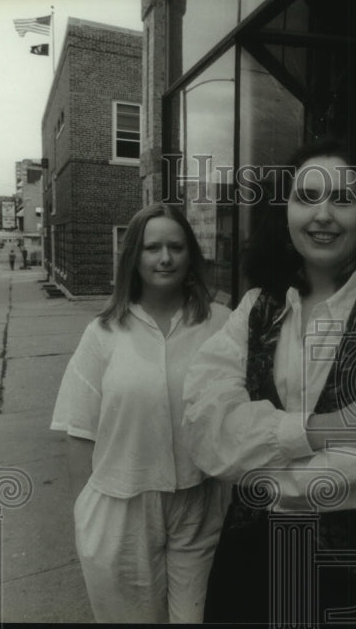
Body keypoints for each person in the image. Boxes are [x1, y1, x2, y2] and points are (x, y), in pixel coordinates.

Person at [182, 138, 356, 624]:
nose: (323, 214)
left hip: (353, 576)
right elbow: (205, 427)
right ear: (285, 215)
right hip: (250, 566)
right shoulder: (256, 307)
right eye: (306, 197)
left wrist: (255, 471)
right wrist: (327, 429)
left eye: (342, 199)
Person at [50, 204, 232, 623]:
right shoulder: (103, 332)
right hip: (123, 505)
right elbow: (78, 429)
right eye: (152, 247)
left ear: (190, 255)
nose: (165, 257)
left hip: (198, 499)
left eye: (175, 246)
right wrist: (84, 513)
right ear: (134, 255)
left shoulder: (221, 323)